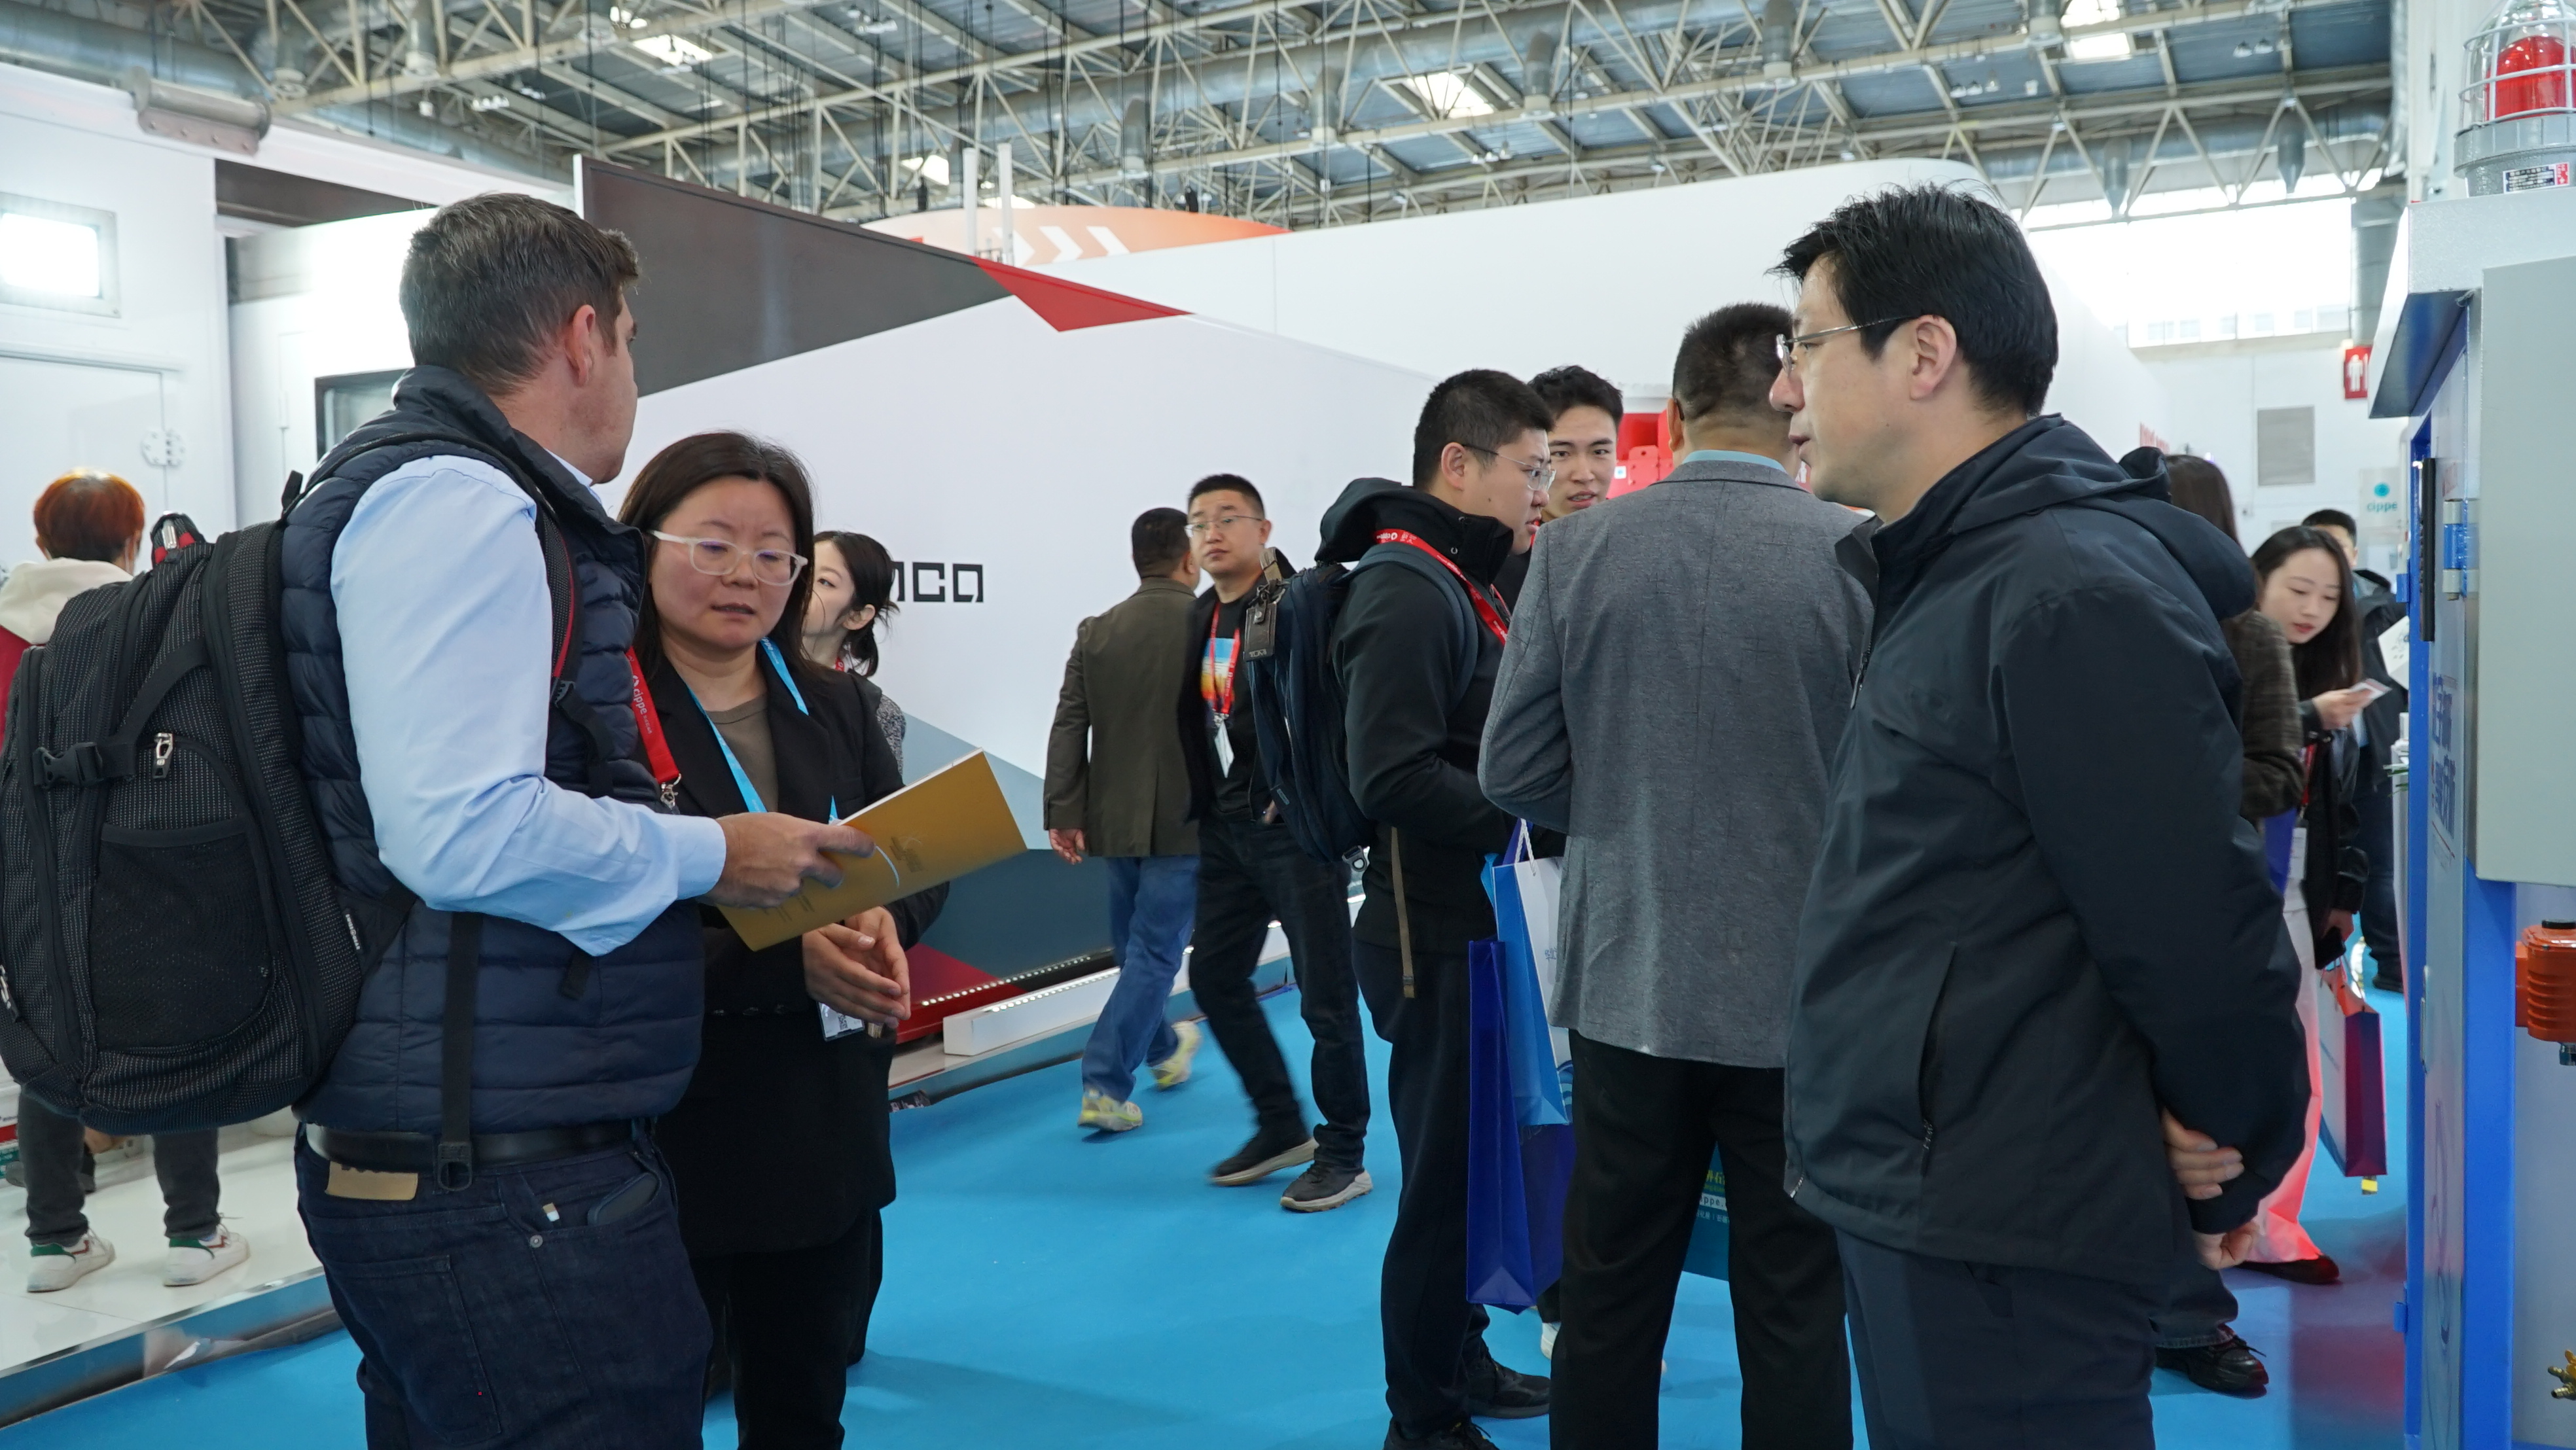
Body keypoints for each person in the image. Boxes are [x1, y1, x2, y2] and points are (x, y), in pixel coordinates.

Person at [285, 192, 870, 1448]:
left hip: (473, 1134)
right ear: (585, 336)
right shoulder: (465, 502)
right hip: (499, 1172)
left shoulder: (411, 489)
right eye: (634, 341)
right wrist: (719, 853)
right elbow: (459, 832)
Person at [1769, 184, 2310, 1449]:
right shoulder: (1955, 571)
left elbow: (2188, 923)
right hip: (1940, 1185)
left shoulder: (2061, 591)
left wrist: (2233, 1141)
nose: (1785, 388)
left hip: (2002, 1214)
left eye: (1806, 344)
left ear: (1923, 353)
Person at [1482, 304, 1870, 1450]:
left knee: (1610, 1288)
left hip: (1628, 980)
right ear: (1793, 403)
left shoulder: (1576, 551)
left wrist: (1627, 815)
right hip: (1800, 996)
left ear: (1679, 411)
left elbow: (1512, 767)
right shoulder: (1858, 553)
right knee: (1795, 1295)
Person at [622, 433, 944, 1447]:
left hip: (820, 1117)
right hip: (661, 1126)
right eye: (714, 545)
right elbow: (581, 919)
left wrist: (886, 918)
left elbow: (908, 859)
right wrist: (778, 955)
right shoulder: (593, 718)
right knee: (646, 1413)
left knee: (803, 1411)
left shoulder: (838, 703)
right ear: (642, 546)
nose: (746, 575)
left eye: (774, 554)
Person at [1325, 370, 1554, 1450]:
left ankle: (1457, 1363)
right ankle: (1420, 1420)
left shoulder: (1456, 578)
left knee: (1470, 1175)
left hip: (1469, 930)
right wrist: (1535, 807)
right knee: (1442, 1193)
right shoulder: (1407, 588)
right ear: (1458, 464)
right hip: (1432, 942)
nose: (1541, 490)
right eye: (1531, 468)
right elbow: (1391, 774)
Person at [3, 472, 249, 1294]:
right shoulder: (145, 617)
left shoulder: (3, 631)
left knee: (50, 1041)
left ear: (40, 543)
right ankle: (195, 1232)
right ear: (134, 541)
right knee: (173, 1033)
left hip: (28, 877)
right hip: (138, 862)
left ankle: (55, 1242)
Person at [2148, 455, 2306, 1396]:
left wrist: (2173, 785)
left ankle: (2191, 1311)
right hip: (2111, 899)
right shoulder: (2108, 622)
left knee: (2211, 1112)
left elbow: (2279, 775)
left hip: (2215, 903)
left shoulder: (2250, 634)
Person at [1174, 474, 1373, 1209]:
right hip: (1226, 831)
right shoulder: (1201, 617)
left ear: (1263, 530)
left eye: (1228, 517)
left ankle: (1344, 1151)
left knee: (1326, 995)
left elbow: (1334, 705)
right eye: (1199, 522)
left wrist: (1317, 800)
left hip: (1294, 830)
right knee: (1214, 977)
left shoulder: (1299, 604)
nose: (1212, 532)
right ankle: (1281, 1123)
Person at [2227, 525, 2375, 1288]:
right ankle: (2238, 1223)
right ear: (2258, 578)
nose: (2312, 608)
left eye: (2328, 595)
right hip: (2231, 891)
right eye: (2298, 588)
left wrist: (2344, 895)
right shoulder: (2223, 660)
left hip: (2294, 892)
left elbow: (2341, 804)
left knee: (2297, 1066)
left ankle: (2269, 1224)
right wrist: (2309, 717)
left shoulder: (2322, 676)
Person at [1045, 508, 1206, 1133]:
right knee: (1155, 954)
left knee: (1137, 951)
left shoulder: (1097, 632)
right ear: (1188, 559)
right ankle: (1105, 1083)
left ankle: (1165, 1049)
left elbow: (1070, 724)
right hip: (1188, 821)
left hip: (1112, 820)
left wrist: (1064, 811)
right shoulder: (1210, 623)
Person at [2302, 507, 2407, 994]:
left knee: (2382, 865)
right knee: (2324, 860)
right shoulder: (2304, 612)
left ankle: (2392, 962)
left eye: (2338, 548)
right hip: (2320, 754)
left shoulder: (2386, 608)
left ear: (2355, 552)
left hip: (2375, 750)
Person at [1495, 366, 1621, 607]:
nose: (1584, 475)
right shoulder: (1500, 564)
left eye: (1600, 451)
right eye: (1561, 453)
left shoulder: (1639, 547)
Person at [802, 529, 908, 771]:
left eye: (825, 582)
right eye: (801, 571)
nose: (801, 585)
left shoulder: (876, 712)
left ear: (857, 616)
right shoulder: (736, 677)